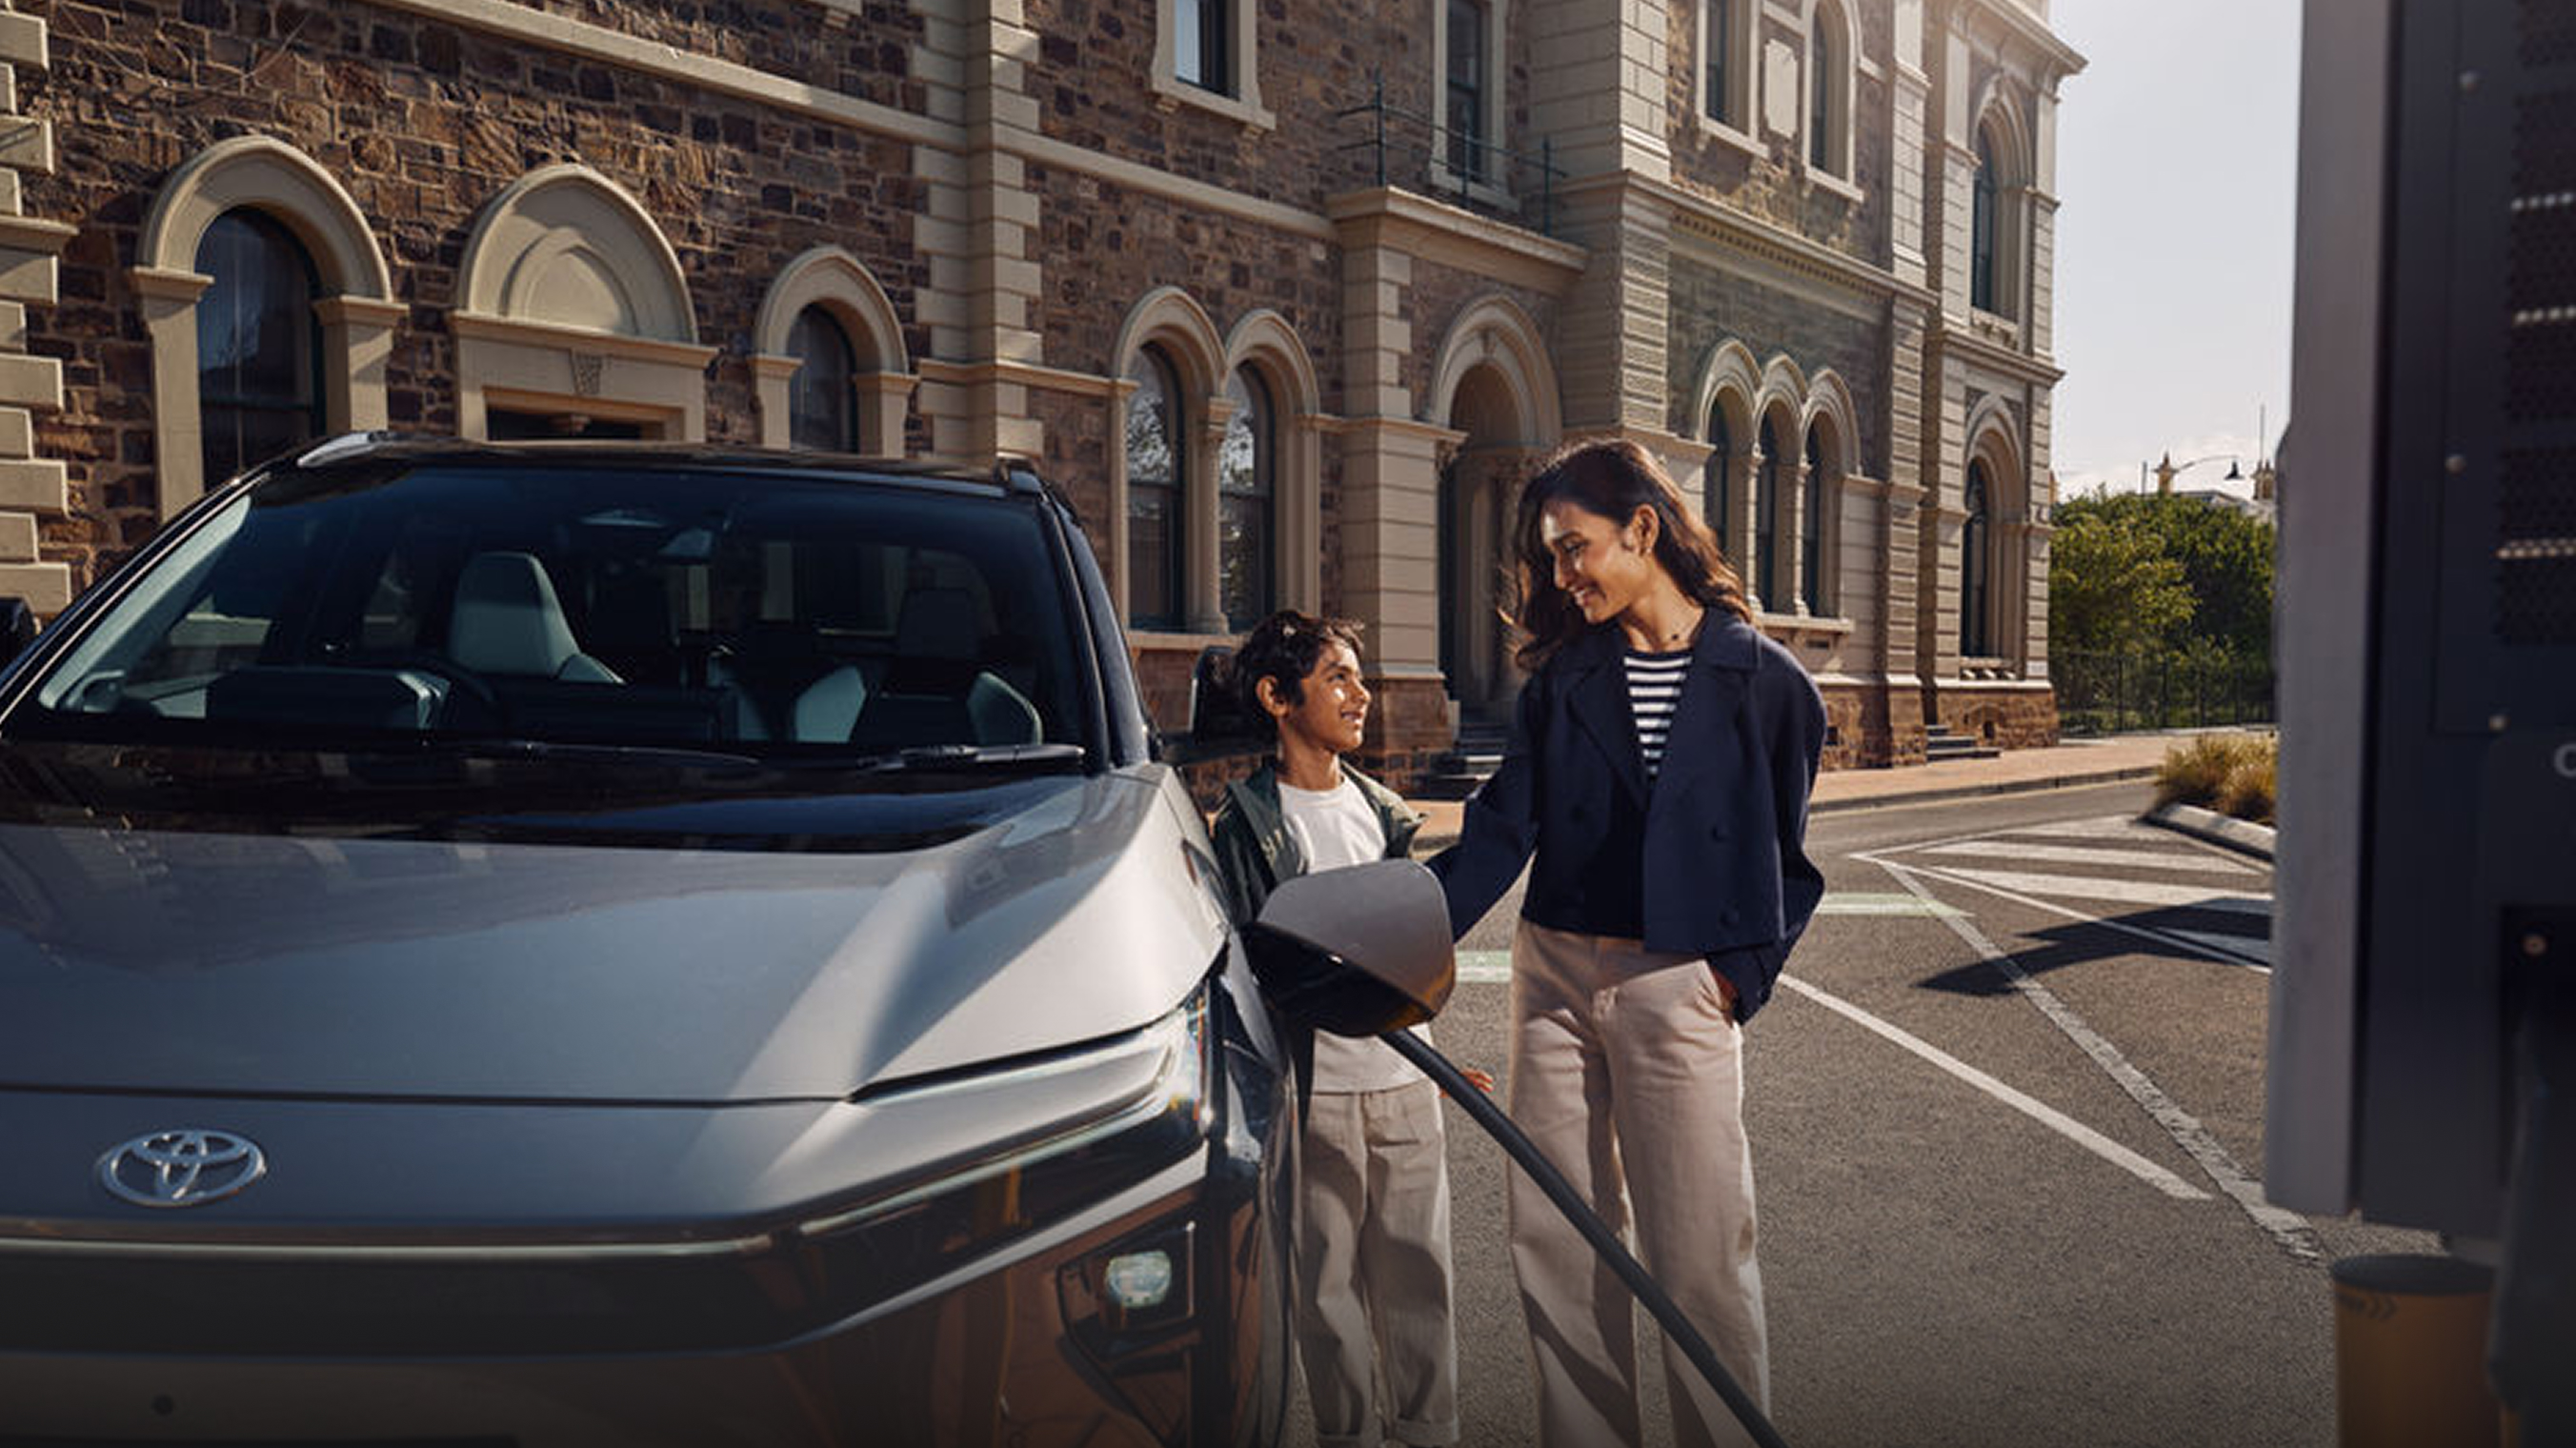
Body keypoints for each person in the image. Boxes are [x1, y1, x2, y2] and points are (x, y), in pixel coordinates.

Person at [1426, 437, 1825, 1448]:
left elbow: (1787, 861)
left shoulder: (1768, 683)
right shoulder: (1565, 679)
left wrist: (1734, 978)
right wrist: (1392, 939)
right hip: (1551, 975)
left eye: (1575, 547)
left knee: (1699, 1257)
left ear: (1642, 529)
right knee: (1556, 1239)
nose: (1561, 573)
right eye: (1552, 554)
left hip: (1680, 983)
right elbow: (1500, 827)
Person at [1209, 609, 1474, 1448]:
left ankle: (1428, 1431)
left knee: (1419, 1275)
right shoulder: (1244, 824)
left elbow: (1404, 953)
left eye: (1358, 677)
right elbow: (1243, 975)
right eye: (1338, 678)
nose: (1362, 694)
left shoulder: (1384, 813)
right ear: (1277, 698)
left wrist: (1444, 1064)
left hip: (1404, 1082)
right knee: (1324, 1288)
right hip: (1313, 1095)